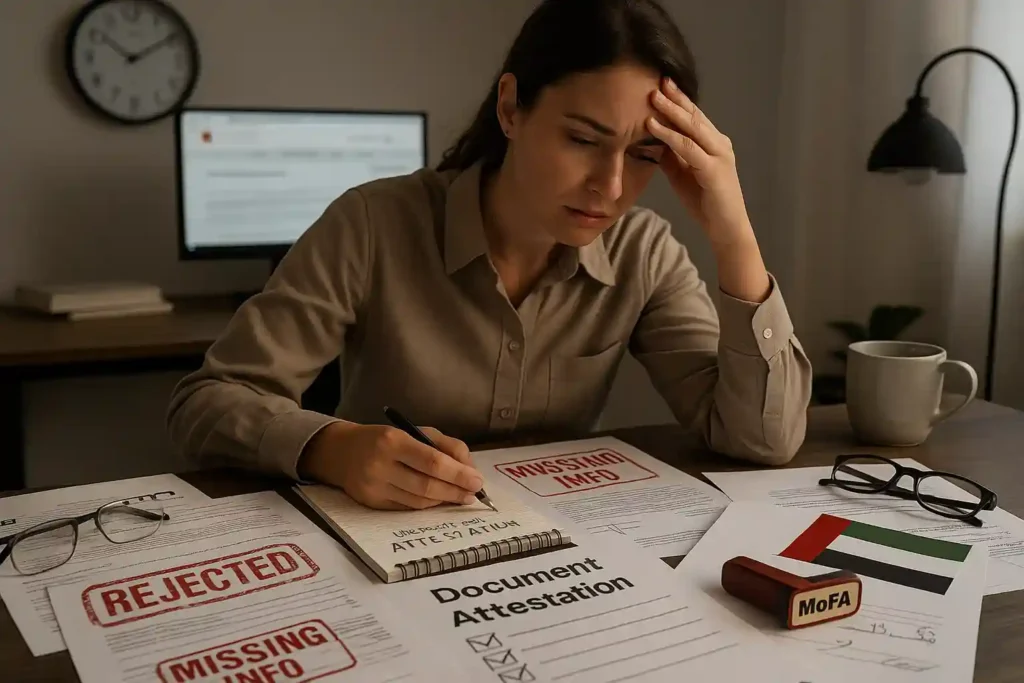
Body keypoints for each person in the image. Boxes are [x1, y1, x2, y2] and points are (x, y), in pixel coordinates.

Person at [167, 0, 813, 512]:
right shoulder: (373, 223)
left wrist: (734, 232)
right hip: (379, 546)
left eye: (644, 156)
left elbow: (760, 440)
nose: (611, 187)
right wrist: (331, 448)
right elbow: (209, 400)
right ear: (511, 107)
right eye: (584, 140)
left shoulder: (643, 253)